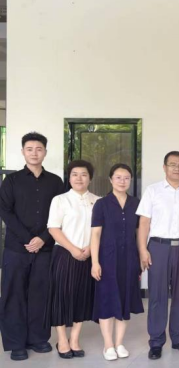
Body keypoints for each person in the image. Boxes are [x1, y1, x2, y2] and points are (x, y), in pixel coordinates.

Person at [0, 132, 64, 361]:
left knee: (41, 293)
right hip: (16, 249)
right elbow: (5, 211)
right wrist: (29, 239)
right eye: (29, 149)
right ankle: (16, 343)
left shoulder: (56, 182)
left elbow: (61, 213)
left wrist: (43, 238)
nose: (34, 153)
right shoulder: (12, 181)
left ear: (45, 152)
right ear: (23, 152)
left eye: (39, 149)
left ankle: (38, 338)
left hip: (45, 249)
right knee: (13, 294)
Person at [136, 151, 179, 360]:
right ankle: (156, 341)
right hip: (158, 247)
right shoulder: (153, 191)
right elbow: (144, 223)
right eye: (172, 164)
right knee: (157, 295)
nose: (177, 168)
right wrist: (143, 250)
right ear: (164, 167)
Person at [46, 160, 99, 359]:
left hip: (89, 254)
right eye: (75, 174)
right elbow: (53, 228)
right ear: (69, 178)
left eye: (84, 174)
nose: (79, 178)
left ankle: (75, 339)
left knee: (81, 297)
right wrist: (73, 249)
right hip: (64, 254)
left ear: (90, 178)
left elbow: (100, 231)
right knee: (62, 296)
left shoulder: (98, 201)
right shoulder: (60, 200)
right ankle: (62, 339)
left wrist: (89, 249)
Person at [90, 163, 144, 361]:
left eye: (126, 178)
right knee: (106, 301)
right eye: (118, 177)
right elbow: (95, 235)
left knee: (125, 300)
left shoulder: (136, 204)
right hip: (107, 259)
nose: (122, 181)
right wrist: (95, 262)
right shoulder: (101, 204)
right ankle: (108, 345)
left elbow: (139, 234)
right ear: (111, 180)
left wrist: (140, 259)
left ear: (131, 181)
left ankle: (119, 343)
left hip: (129, 260)